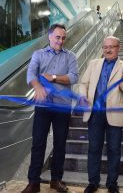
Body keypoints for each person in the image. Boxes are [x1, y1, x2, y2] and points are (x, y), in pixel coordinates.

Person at [22, 23, 79, 193]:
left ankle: (56, 180)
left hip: (62, 107)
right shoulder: (38, 54)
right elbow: (31, 74)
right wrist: (37, 86)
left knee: (60, 144)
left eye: (63, 38)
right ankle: (34, 182)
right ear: (49, 36)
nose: (60, 41)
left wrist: (53, 77)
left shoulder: (71, 56)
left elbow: (74, 77)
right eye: (57, 37)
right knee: (38, 143)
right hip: (43, 106)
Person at [79, 36, 123, 193]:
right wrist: (82, 96)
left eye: (112, 46)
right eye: (105, 47)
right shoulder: (93, 63)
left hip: (114, 113)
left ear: (118, 48)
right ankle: (93, 182)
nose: (108, 49)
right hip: (94, 113)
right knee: (94, 149)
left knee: (114, 150)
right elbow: (84, 83)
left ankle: (112, 183)